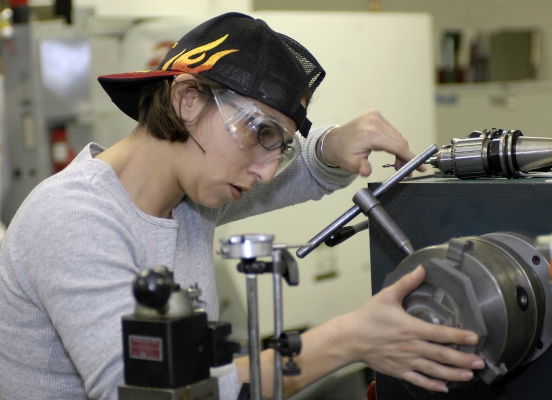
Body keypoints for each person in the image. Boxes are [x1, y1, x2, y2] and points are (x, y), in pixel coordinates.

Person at [0, 12, 484, 400]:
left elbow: (305, 168)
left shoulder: (187, 202)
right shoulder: (73, 217)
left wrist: (332, 143)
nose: (267, 173)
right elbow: (146, 393)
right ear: (188, 99)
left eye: (280, 146)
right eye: (260, 132)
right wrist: (349, 339)